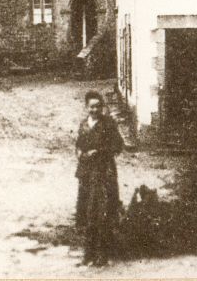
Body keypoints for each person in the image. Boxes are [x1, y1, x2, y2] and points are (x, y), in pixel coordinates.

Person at [75, 90, 124, 266]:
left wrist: (100, 152)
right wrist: (80, 153)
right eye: (91, 107)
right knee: (87, 212)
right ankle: (88, 253)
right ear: (86, 107)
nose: (94, 110)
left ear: (102, 107)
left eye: (97, 106)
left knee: (102, 213)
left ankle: (102, 254)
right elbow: (79, 144)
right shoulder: (83, 124)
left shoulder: (108, 124)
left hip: (104, 173)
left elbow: (118, 146)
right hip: (87, 174)